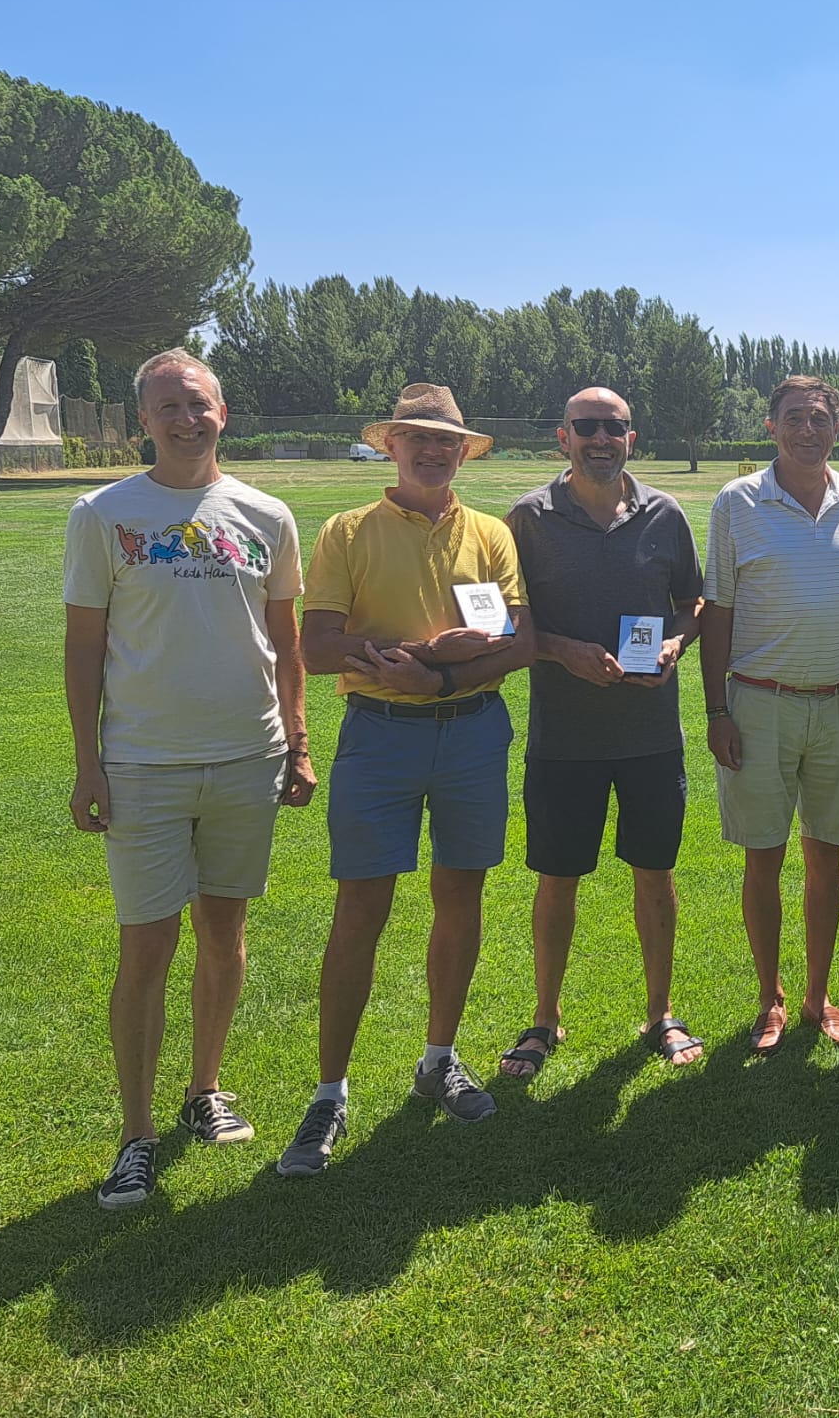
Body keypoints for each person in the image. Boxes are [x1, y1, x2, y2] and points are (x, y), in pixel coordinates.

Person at [63, 348, 315, 1209]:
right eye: (167, 406)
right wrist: (87, 762)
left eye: (198, 403)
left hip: (250, 755)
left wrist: (301, 745)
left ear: (223, 413)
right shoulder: (102, 513)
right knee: (147, 947)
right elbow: (85, 646)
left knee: (225, 933)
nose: (185, 418)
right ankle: (135, 1136)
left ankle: (205, 1090)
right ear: (144, 420)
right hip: (144, 765)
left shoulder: (266, 513)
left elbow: (287, 643)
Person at [276, 385, 536, 1178]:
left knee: (461, 896)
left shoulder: (490, 534)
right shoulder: (347, 531)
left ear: (464, 452)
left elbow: (515, 642)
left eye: (446, 441)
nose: (432, 451)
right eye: (416, 438)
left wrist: (442, 678)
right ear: (390, 445)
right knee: (362, 906)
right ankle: (329, 1094)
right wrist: (427, 654)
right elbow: (317, 648)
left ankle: (437, 1060)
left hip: (471, 735)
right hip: (378, 740)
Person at [497, 387, 705, 1076]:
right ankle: (544, 1019)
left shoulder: (664, 515)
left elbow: (691, 603)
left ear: (631, 439)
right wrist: (563, 651)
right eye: (585, 427)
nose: (599, 438)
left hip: (650, 735)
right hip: (563, 739)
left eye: (612, 428)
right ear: (563, 437)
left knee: (656, 873)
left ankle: (660, 1013)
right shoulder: (526, 519)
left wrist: (676, 646)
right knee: (558, 879)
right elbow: (505, 623)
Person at [700, 375, 839, 1053]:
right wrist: (716, 708)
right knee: (763, 858)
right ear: (771, 424)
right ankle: (769, 997)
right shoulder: (737, 502)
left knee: (826, 858)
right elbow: (717, 609)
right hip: (758, 704)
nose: (807, 429)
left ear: (835, 427)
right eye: (794, 418)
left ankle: (817, 995)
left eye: (819, 418)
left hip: (837, 704)